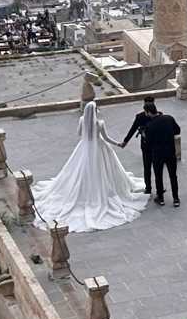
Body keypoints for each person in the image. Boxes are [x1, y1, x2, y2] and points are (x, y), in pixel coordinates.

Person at [34, 100, 146, 233]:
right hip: (99, 148)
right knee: (103, 172)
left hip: (84, 147)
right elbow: (106, 137)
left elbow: (79, 134)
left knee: (79, 172)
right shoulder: (100, 123)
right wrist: (118, 144)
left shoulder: (82, 120)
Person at [142, 102, 182, 206]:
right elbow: (177, 130)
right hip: (170, 152)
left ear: (148, 112)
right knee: (173, 176)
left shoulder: (149, 125)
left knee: (158, 176)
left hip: (157, 154)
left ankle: (161, 198)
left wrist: (144, 135)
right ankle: (176, 199)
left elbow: (148, 143)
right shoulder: (169, 118)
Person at [118, 98, 161, 194]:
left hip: (154, 146)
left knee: (152, 168)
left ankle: (153, 189)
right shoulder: (142, 116)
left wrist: (125, 142)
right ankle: (151, 188)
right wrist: (125, 141)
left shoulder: (158, 115)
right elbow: (133, 129)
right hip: (149, 146)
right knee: (150, 168)